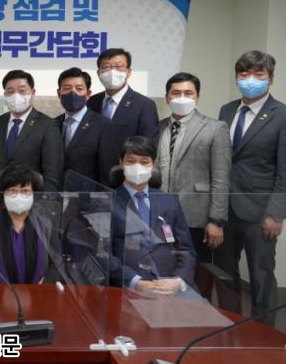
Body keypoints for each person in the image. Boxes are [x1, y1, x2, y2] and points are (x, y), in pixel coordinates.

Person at [217, 50, 286, 325]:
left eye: (259, 74)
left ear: (271, 78)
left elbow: (284, 171)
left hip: (260, 212)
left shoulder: (281, 114)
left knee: (261, 275)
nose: (250, 79)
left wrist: (276, 214)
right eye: (244, 74)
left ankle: (264, 335)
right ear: (236, 78)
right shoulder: (227, 110)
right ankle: (230, 327)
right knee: (225, 273)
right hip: (224, 209)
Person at [156, 72, 231, 299]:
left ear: (197, 96)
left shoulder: (215, 128)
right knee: (164, 273)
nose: (182, 97)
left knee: (195, 278)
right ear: (167, 97)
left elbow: (221, 177)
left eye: (188, 93)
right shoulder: (158, 127)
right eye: (176, 93)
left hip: (197, 217)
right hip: (161, 217)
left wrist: (216, 220)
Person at [110, 137, 196, 295]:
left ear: (153, 164)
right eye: (131, 161)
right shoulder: (108, 201)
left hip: (173, 287)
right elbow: (103, 255)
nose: (138, 167)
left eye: (144, 162)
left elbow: (186, 250)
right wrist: (136, 283)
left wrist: (178, 280)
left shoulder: (169, 201)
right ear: (121, 163)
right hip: (129, 288)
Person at [0, 166, 59, 284]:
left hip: (38, 292)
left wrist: (43, 285)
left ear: (33, 194)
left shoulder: (46, 225)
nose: (19, 197)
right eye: (12, 191)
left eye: (25, 191)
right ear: (3, 194)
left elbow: (57, 263)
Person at [0, 70, 63, 192]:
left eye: (22, 91)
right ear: (5, 95)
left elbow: (52, 174)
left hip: (29, 198)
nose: (15, 96)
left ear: (33, 93)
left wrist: (45, 201)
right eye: (10, 91)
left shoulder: (48, 125)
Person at [56, 67, 119, 187]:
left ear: (88, 94)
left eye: (79, 89)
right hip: (56, 194)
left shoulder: (104, 125)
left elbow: (107, 172)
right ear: (59, 93)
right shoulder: (52, 124)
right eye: (67, 88)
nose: (73, 93)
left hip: (88, 195)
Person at [87, 48, 159, 148]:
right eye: (106, 67)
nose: (112, 71)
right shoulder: (91, 102)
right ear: (99, 73)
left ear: (128, 72)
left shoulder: (145, 105)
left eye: (119, 66)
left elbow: (148, 145)